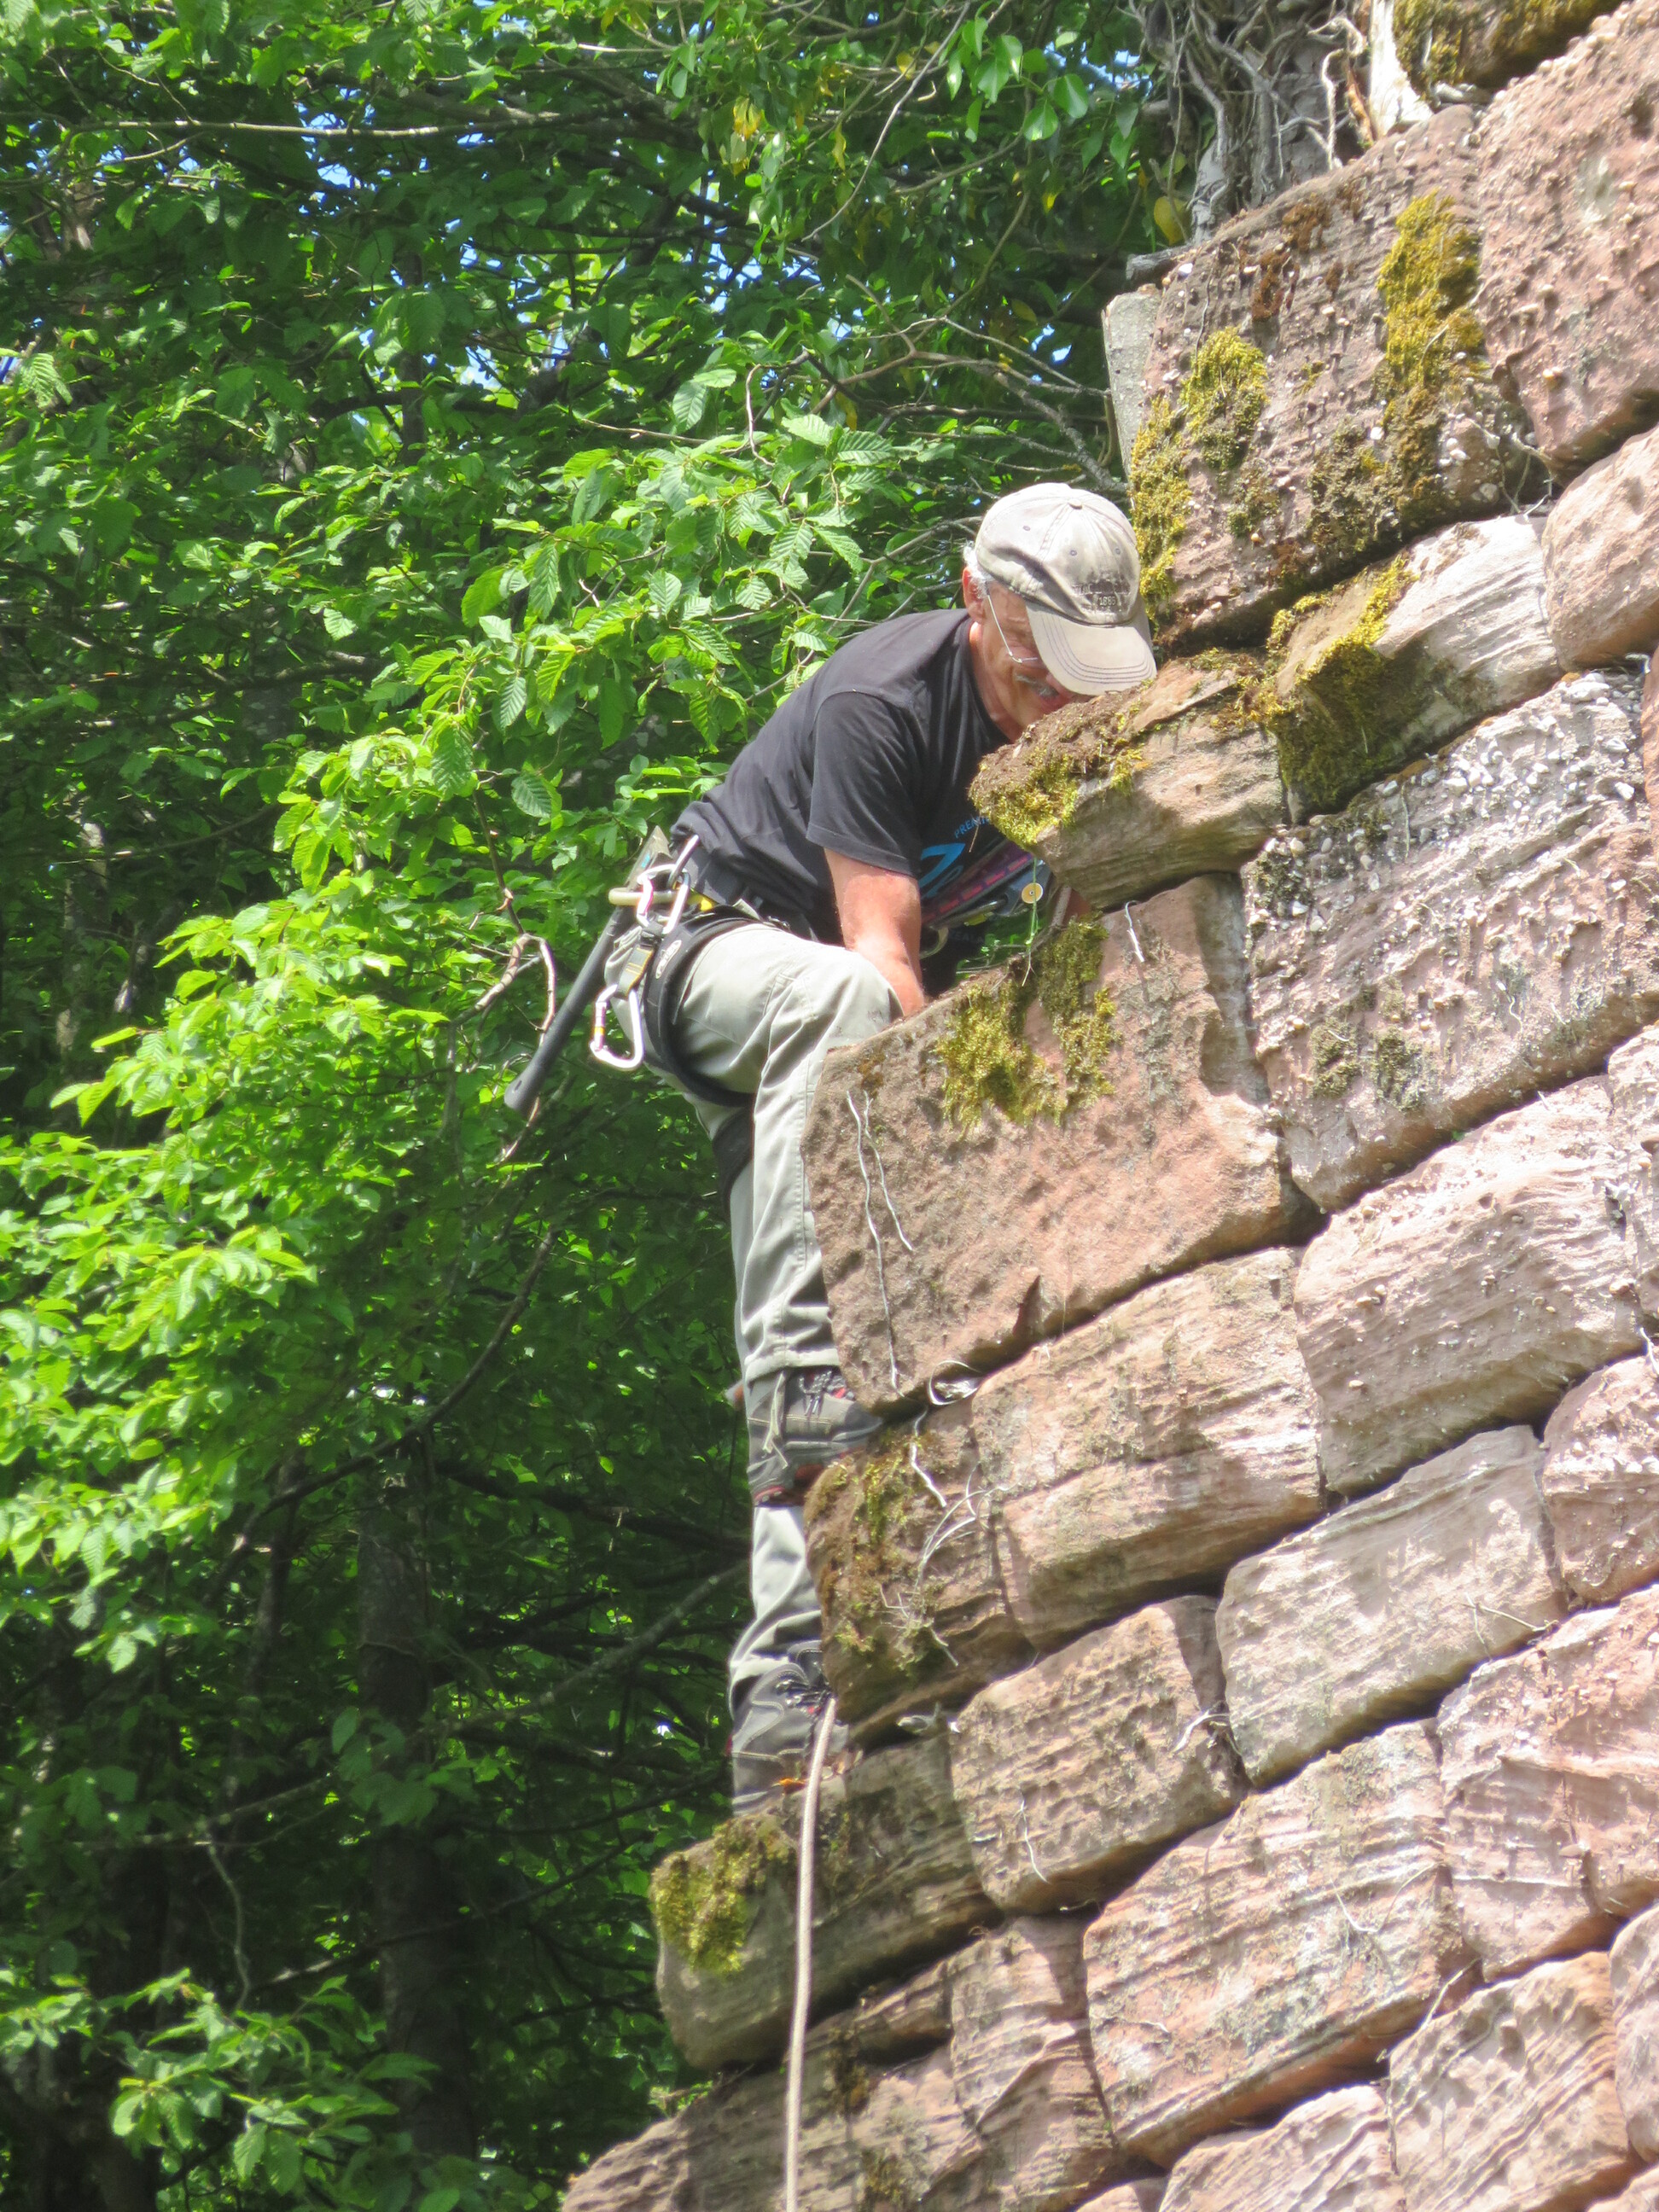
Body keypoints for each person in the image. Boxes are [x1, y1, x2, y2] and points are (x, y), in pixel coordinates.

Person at [652, 482, 1156, 1808]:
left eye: (1086, 671)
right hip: (723, 965)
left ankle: (789, 1710)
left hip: (837, 1042)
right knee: (852, 1015)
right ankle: (797, 1387)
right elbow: (880, 959)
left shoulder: (1093, 695)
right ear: (978, 601)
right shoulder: (885, 698)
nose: (1062, 700)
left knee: (881, 1330)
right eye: (1038, 669)